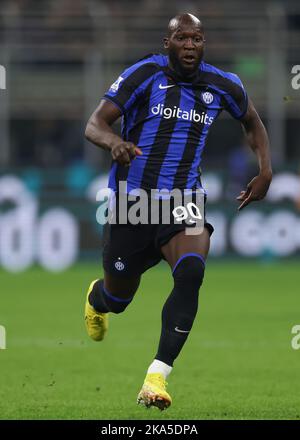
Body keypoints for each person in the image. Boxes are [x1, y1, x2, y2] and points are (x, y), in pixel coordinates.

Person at [84, 13, 272, 411]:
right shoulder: (144, 75)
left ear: (204, 44)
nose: (190, 44)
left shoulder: (223, 84)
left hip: (183, 200)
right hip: (133, 204)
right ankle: (96, 300)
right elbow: (95, 124)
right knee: (118, 299)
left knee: (191, 271)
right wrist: (114, 143)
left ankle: (157, 376)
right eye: (182, 38)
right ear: (167, 43)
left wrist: (266, 171)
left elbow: (252, 122)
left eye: (197, 38)